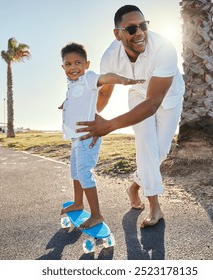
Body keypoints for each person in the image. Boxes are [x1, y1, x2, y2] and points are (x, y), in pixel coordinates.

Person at [76, 5, 184, 228]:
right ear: (117, 34)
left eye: (143, 26)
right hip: (138, 94)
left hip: (168, 98)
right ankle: (155, 207)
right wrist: (84, 115)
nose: (140, 33)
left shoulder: (164, 48)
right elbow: (105, 93)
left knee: (160, 152)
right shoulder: (109, 59)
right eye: (132, 28)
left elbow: (153, 102)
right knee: (146, 144)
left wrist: (109, 126)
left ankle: (134, 185)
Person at [59, 42, 145, 229]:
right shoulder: (72, 84)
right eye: (68, 64)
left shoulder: (88, 79)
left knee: (84, 173)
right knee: (75, 173)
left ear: (87, 64)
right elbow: (76, 100)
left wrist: (123, 80)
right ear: (63, 67)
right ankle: (78, 202)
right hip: (76, 137)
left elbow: (106, 78)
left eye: (78, 63)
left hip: (87, 136)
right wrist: (65, 104)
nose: (73, 67)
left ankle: (97, 215)